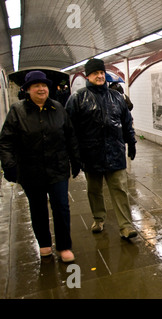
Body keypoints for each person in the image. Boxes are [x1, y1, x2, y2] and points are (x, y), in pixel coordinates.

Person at [0, 70, 80, 262]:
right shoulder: (17, 111)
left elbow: (70, 136)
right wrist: (9, 165)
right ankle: (44, 244)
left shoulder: (58, 108)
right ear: (27, 89)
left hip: (58, 168)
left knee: (61, 207)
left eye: (43, 85)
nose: (41, 88)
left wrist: (76, 160)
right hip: (30, 170)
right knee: (37, 208)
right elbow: (6, 141)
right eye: (36, 85)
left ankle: (64, 246)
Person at [65, 58, 138, 239]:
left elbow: (127, 123)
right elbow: (69, 129)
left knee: (120, 189)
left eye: (101, 72)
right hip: (91, 154)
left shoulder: (116, 97)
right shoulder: (77, 98)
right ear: (88, 76)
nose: (99, 76)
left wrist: (132, 143)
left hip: (115, 152)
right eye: (95, 73)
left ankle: (126, 226)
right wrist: (74, 156)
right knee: (94, 190)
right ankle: (98, 218)